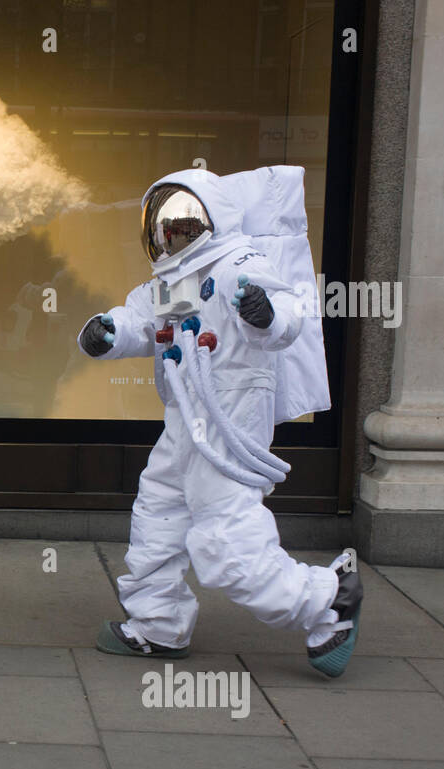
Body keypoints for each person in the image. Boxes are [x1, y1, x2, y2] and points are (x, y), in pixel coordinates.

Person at [78, 166, 363, 677]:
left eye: (181, 226)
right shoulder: (172, 280)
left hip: (230, 414)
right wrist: (106, 332)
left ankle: (326, 599)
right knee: (159, 514)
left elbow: (286, 309)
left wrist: (264, 314)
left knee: (223, 537)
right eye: (163, 228)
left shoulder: (237, 263)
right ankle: (157, 622)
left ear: (210, 222)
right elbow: (140, 319)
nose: (170, 237)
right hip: (187, 414)